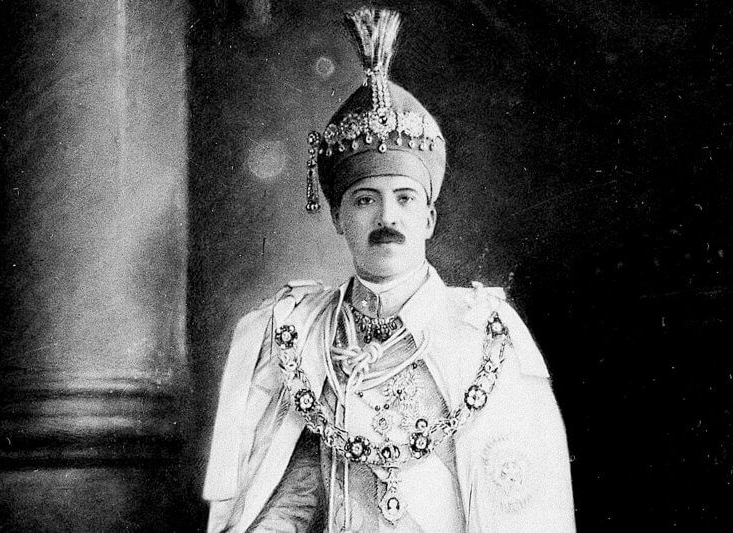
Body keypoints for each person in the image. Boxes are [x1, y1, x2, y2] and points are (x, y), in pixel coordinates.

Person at [203, 7, 575, 532]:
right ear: (337, 217)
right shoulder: (305, 336)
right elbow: (295, 498)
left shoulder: (487, 338)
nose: (387, 218)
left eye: (404, 198)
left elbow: (522, 509)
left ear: (429, 217)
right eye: (364, 200)